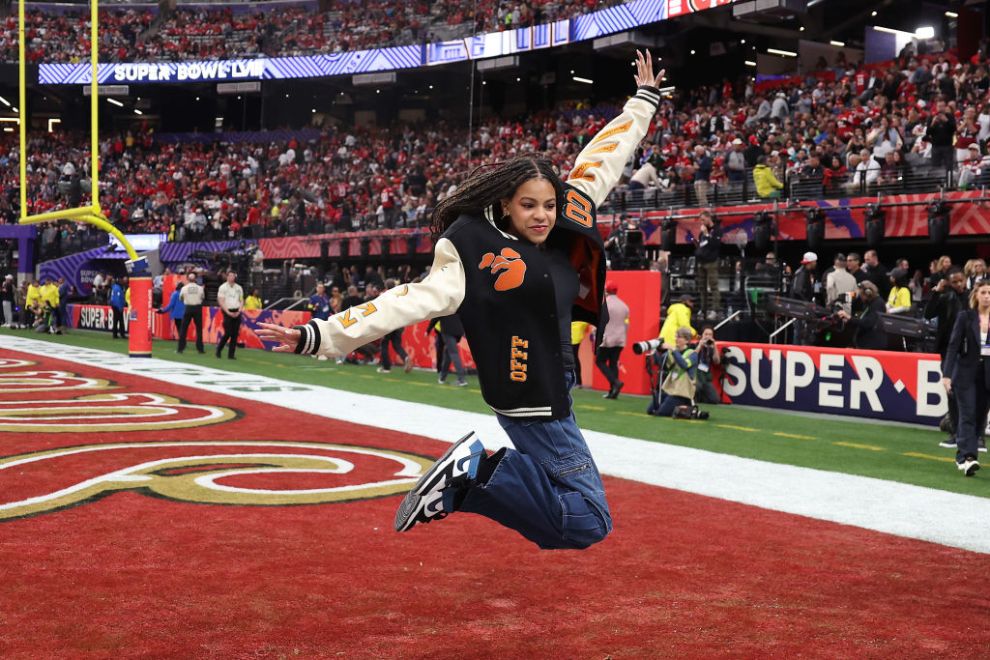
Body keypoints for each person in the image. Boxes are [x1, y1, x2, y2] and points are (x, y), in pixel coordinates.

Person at [259, 50, 666, 550]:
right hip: (533, 397)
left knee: (570, 507)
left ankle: (473, 478)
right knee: (588, 521)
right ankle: (474, 475)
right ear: (505, 204)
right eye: (529, 206)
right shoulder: (471, 249)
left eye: (548, 204)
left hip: (550, 388)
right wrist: (321, 334)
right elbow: (406, 300)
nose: (542, 215)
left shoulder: (567, 217)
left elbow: (603, 158)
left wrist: (643, 102)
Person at [941, 280, 990, 476]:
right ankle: (970, 457)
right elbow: (953, 345)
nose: (987, 296)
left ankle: (962, 455)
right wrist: (946, 375)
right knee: (967, 414)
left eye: (989, 293)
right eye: (983, 292)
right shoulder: (965, 316)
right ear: (976, 295)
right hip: (965, 372)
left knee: (980, 417)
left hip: (987, 374)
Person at [925, 267, 970, 449]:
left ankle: (972, 434)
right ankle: (955, 432)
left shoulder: (973, 297)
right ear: (948, 283)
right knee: (950, 391)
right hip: (948, 350)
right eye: (954, 282)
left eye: (961, 281)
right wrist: (936, 292)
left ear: (965, 279)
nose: (959, 284)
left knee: (968, 393)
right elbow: (928, 314)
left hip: (968, 351)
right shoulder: (945, 298)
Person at [649, 327, 699, 417]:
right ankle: (679, 409)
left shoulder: (692, 354)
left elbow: (684, 364)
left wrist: (673, 349)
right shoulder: (672, 352)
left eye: (679, 337)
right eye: (676, 336)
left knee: (661, 413)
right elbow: (662, 365)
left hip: (682, 393)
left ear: (687, 340)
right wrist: (655, 350)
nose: (676, 339)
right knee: (650, 410)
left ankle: (686, 407)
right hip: (670, 390)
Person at [596, 281, 629, 399]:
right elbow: (626, 324)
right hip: (620, 339)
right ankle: (613, 391)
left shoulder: (605, 305)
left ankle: (615, 382)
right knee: (613, 363)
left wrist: (598, 339)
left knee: (600, 361)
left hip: (607, 339)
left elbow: (601, 324)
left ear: (606, 291)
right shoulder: (624, 306)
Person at [836, 281, 887, 350]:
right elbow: (860, 315)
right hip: (862, 343)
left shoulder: (878, 304)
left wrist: (850, 317)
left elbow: (868, 322)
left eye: (861, 295)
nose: (860, 297)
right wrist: (849, 318)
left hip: (871, 345)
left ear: (868, 293)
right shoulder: (868, 303)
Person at [378, 279, 414, 374]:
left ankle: (386, 367)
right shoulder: (400, 295)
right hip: (398, 322)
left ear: (386, 286)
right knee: (396, 344)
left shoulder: (384, 296)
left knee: (384, 344)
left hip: (388, 323)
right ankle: (405, 357)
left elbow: (381, 311)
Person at [694, 211, 721, 320]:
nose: (702, 222)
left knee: (713, 286)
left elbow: (716, 244)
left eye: (703, 219)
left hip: (711, 262)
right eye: (701, 220)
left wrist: (706, 234)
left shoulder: (717, 230)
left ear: (709, 218)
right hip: (701, 261)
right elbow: (702, 245)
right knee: (702, 287)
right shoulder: (701, 233)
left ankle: (715, 310)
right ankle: (703, 309)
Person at [215, 270, 244, 359]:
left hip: (236, 310)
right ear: (227, 277)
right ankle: (219, 349)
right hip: (227, 310)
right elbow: (221, 301)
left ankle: (231, 355)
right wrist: (228, 312)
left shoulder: (239, 288)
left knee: (235, 334)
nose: (232, 277)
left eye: (233, 276)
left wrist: (239, 311)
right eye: (230, 276)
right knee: (228, 333)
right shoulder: (223, 287)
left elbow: (241, 300)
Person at [435, 314, 467, 386]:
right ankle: (442, 378)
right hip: (458, 329)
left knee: (453, 353)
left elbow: (436, 316)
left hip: (448, 329)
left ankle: (461, 379)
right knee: (448, 352)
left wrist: (428, 328)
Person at [177, 271, 205, 354]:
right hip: (197, 308)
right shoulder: (200, 288)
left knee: (183, 329)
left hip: (188, 307)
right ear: (195, 279)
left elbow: (181, 298)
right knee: (199, 329)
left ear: (188, 279)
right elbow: (202, 297)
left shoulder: (184, 288)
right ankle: (200, 349)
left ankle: (180, 348)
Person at [695, 325, 722, 405]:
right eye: (706, 334)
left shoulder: (711, 347)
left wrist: (714, 346)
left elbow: (717, 361)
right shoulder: (695, 345)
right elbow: (692, 357)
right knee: (697, 387)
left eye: (710, 334)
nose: (708, 336)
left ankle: (701, 397)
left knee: (715, 399)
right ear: (701, 335)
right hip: (695, 374)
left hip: (705, 376)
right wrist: (700, 345)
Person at [570, 321, 591, 388]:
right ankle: (577, 381)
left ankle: (577, 381)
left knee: (573, 357)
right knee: (573, 357)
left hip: (574, 334)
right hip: (574, 332)